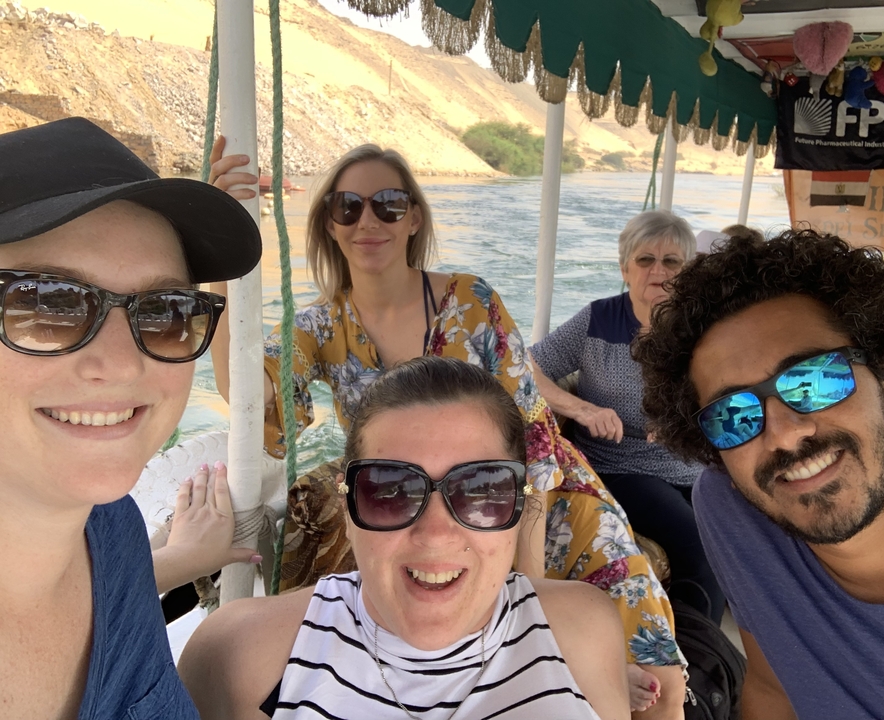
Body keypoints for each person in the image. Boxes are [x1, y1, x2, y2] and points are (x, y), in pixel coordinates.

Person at [209, 141, 686, 715]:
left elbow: (534, 444)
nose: (368, 220)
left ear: (413, 218)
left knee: (660, 675)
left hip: (536, 499)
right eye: (347, 207)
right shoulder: (318, 326)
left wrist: (525, 599)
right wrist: (221, 267)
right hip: (410, 502)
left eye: (388, 204)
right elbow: (248, 394)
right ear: (329, 224)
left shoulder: (472, 301)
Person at [178, 356, 633, 718]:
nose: (435, 534)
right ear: (348, 507)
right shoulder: (240, 656)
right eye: (390, 490)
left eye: (482, 489)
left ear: (519, 507)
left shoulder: (584, 630)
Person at [634, 229, 884, 720]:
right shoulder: (733, 507)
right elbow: (774, 687)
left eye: (814, 380)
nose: (783, 434)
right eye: (732, 414)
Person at [0, 118, 261, 718]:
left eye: (164, 311)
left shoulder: (111, 531)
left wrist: (173, 563)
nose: (122, 364)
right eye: (48, 304)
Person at [529, 210, 723, 624]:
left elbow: (726, 394)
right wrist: (581, 408)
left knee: (740, 532)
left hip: (692, 464)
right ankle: (697, 661)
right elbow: (527, 367)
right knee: (700, 545)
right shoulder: (598, 319)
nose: (658, 271)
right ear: (624, 269)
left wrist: (685, 419)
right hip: (618, 466)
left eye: (671, 261)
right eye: (645, 260)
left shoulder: (701, 330)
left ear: (686, 270)